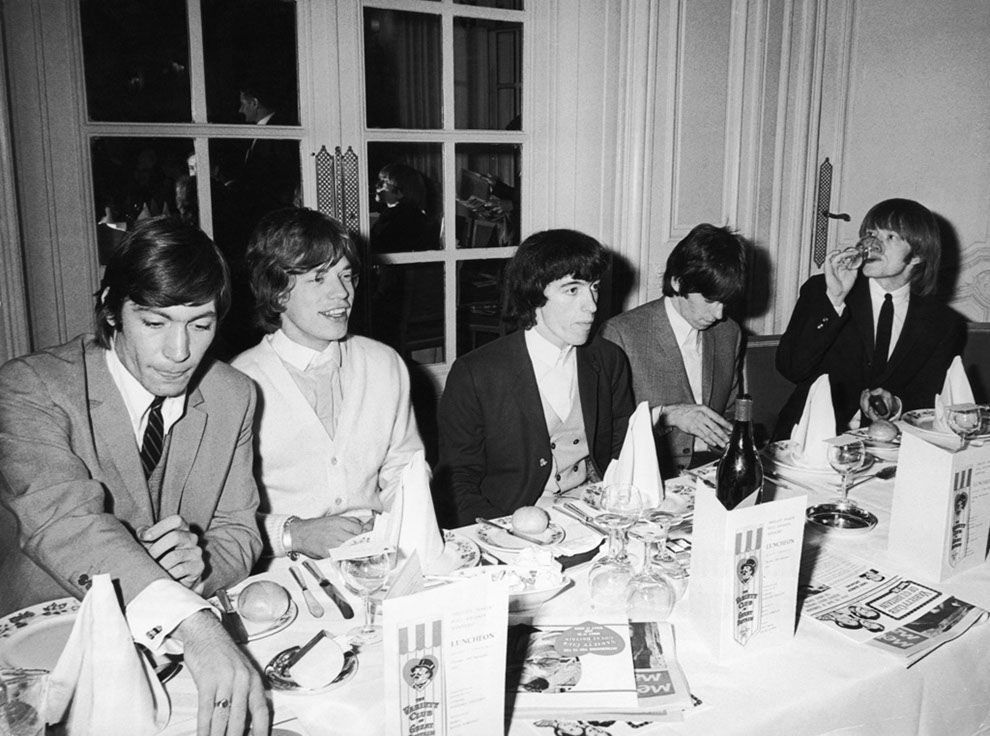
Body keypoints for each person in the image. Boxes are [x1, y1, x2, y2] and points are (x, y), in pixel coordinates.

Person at [0, 217, 267, 735]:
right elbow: (63, 522)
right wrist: (193, 621)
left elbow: (240, 529)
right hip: (41, 668)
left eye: (201, 323)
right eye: (155, 322)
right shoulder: (27, 389)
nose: (179, 352)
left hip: (166, 665)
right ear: (111, 310)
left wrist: (202, 562)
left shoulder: (234, 395)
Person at [231, 207, 424, 559]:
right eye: (319, 278)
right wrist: (292, 534)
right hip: (280, 570)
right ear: (277, 293)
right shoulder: (238, 383)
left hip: (378, 557)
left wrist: (399, 531)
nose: (342, 294)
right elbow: (220, 521)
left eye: (347, 276)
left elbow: (405, 469)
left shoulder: (385, 364)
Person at [437, 229, 634, 525]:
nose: (592, 305)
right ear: (534, 294)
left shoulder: (608, 360)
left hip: (592, 515)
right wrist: (501, 534)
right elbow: (457, 481)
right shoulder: (476, 374)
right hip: (507, 523)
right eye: (572, 290)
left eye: (594, 287)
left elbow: (624, 451)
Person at [775, 198, 965, 437]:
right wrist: (834, 300)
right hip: (812, 439)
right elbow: (791, 368)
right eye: (871, 233)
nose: (872, 244)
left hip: (892, 446)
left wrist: (896, 405)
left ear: (917, 255)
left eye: (890, 237)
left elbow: (932, 399)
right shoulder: (823, 290)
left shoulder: (943, 323)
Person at [600, 224, 747, 476]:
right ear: (677, 283)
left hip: (713, 470)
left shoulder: (728, 332)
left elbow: (731, 411)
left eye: (725, 301)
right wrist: (667, 416)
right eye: (710, 300)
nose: (719, 314)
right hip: (650, 474)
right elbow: (604, 435)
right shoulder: (621, 334)